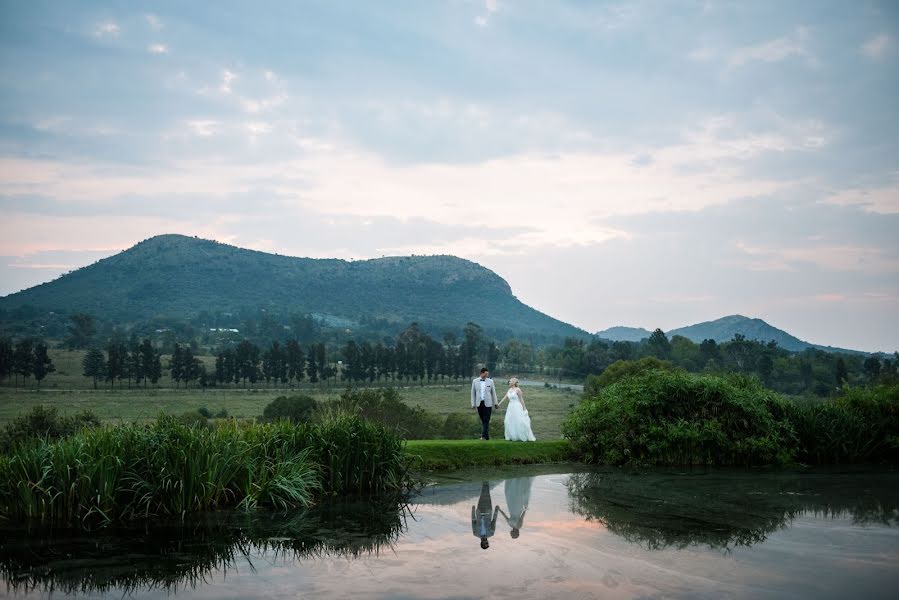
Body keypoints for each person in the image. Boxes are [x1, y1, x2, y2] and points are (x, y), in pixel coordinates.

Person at [496, 377, 536, 442]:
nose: (509, 382)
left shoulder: (518, 390)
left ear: (514, 383)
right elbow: (504, 397)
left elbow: (521, 400)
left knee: (518, 421)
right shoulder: (509, 390)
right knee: (508, 421)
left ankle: (520, 436)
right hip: (510, 407)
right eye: (509, 382)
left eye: (510, 381)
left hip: (517, 406)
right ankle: (512, 436)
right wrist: (498, 404)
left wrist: (524, 409)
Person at [470, 367, 498, 440]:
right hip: (479, 403)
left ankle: (483, 436)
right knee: (483, 420)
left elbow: (493, 393)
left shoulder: (491, 381)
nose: (486, 376)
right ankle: (487, 436)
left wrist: (496, 403)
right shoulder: (475, 381)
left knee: (486, 419)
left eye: (487, 374)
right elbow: (473, 393)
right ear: (481, 373)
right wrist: (473, 404)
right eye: (485, 374)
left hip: (488, 403)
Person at [471, 482, 500, 550]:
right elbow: (494, 521)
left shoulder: (475, 533)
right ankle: (486, 482)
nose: (487, 542)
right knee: (487, 495)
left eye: (485, 543)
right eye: (487, 543)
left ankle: (484, 482)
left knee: (482, 495)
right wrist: (496, 509)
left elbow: (473, 521)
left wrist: (473, 510)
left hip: (479, 511)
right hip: (488, 511)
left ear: (482, 543)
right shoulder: (491, 533)